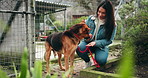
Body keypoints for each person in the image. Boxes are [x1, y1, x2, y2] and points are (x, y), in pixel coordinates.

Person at [76, 0, 117, 68]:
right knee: (79, 49)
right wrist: (87, 37)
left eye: (103, 13)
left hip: (101, 46)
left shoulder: (112, 25)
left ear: (108, 13)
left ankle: (99, 55)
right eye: (99, 12)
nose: (100, 15)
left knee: (101, 61)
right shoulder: (91, 19)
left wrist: (96, 43)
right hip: (88, 43)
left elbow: (109, 40)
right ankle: (88, 62)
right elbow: (84, 33)